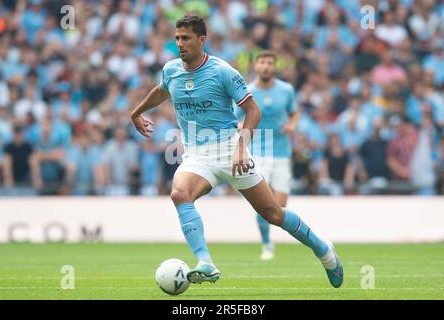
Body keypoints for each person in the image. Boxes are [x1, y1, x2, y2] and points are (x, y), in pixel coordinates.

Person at [130, 15, 343, 288]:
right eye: (177, 38)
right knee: (179, 193)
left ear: (202, 39)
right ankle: (205, 262)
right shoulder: (171, 70)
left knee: (273, 214)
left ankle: (323, 250)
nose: (179, 43)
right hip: (196, 154)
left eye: (186, 38)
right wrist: (136, 112)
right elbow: (161, 91)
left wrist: (242, 148)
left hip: (230, 149)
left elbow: (254, 110)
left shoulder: (223, 72)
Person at [235, 50, 298, 261]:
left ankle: (268, 239)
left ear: (275, 66)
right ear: (256, 65)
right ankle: (266, 244)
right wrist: (240, 127)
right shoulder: (247, 91)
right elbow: (235, 118)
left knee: (279, 207)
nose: (265, 66)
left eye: (269, 63)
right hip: (258, 152)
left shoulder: (286, 90)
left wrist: (292, 125)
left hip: (282, 152)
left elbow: (294, 112)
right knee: (264, 203)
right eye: (261, 62)